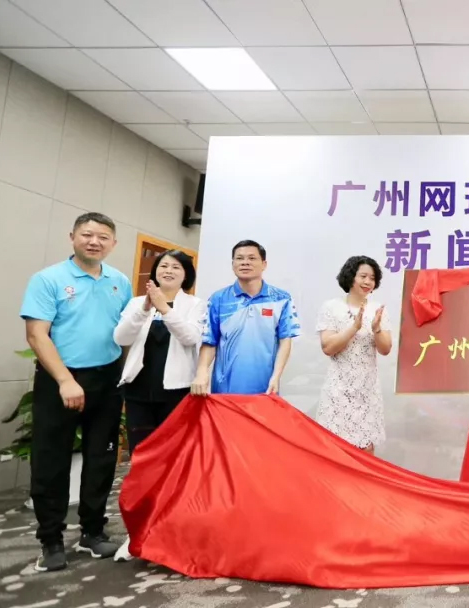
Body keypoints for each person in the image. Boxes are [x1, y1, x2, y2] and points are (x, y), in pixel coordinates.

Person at [19, 212, 131, 571]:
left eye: (103, 237)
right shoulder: (48, 279)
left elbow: (126, 333)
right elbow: (36, 334)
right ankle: (50, 540)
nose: (94, 242)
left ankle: (92, 533)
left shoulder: (120, 281)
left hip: (107, 380)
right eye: (87, 234)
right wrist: (65, 380)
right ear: (73, 237)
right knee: (51, 461)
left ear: (113, 243)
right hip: (60, 379)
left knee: (101, 459)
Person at [113, 251, 205, 453]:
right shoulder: (137, 302)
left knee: (173, 451)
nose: (168, 271)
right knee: (141, 450)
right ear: (155, 271)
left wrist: (165, 309)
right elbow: (121, 338)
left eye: (176, 267)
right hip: (138, 389)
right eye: (163, 266)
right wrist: (144, 310)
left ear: (186, 274)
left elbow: (190, 338)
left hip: (176, 391)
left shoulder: (196, 304)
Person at [191, 240, 301, 396]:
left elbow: (285, 340)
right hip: (225, 388)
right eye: (239, 258)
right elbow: (210, 341)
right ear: (233, 264)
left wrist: (276, 377)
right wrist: (202, 372)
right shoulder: (219, 299)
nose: (245, 262)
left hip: (265, 387)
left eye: (252, 258)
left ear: (264, 264)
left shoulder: (281, 298)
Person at [314, 256, 393, 454]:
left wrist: (376, 329)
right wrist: (354, 328)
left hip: (367, 391)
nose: (368, 282)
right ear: (350, 277)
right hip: (338, 390)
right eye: (363, 276)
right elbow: (328, 347)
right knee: (335, 451)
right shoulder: (331, 307)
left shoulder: (378, 310)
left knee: (366, 451)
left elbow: (385, 349)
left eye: (372, 278)